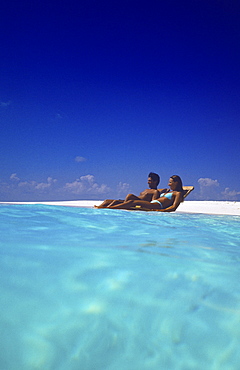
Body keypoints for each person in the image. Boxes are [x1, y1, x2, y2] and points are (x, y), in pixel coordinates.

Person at [106, 175, 184, 212]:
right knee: (113, 201)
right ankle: (109, 207)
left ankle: (111, 208)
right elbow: (157, 189)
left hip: (157, 205)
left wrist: (160, 211)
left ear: (176, 183)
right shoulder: (169, 191)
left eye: (170, 182)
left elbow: (174, 207)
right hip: (152, 203)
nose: (168, 184)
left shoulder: (178, 193)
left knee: (131, 202)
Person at [95, 172, 160, 208]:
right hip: (128, 201)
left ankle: (108, 209)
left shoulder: (155, 192)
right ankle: (98, 210)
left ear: (155, 181)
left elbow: (152, 204)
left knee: (130, 195)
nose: (147, 182)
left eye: (150, 181)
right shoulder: (146, 190)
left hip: (134, 203)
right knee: (107, 201)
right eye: (148, 181)